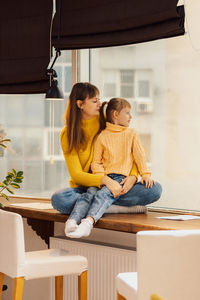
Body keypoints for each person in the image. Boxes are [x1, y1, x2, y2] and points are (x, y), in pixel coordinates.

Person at [51, 83, 162, 234]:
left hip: (117, 181)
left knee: (154, 190)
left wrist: (132, 176)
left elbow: (133, 149)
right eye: (94, 100)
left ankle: (98, 204)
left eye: (99, 99)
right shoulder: (67, 134)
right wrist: (104, 180)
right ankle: (110, 206)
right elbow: (76, 174)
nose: (99, 104)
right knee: (59, 199)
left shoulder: (106, 120)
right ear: (80, 104)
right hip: (87, 186)